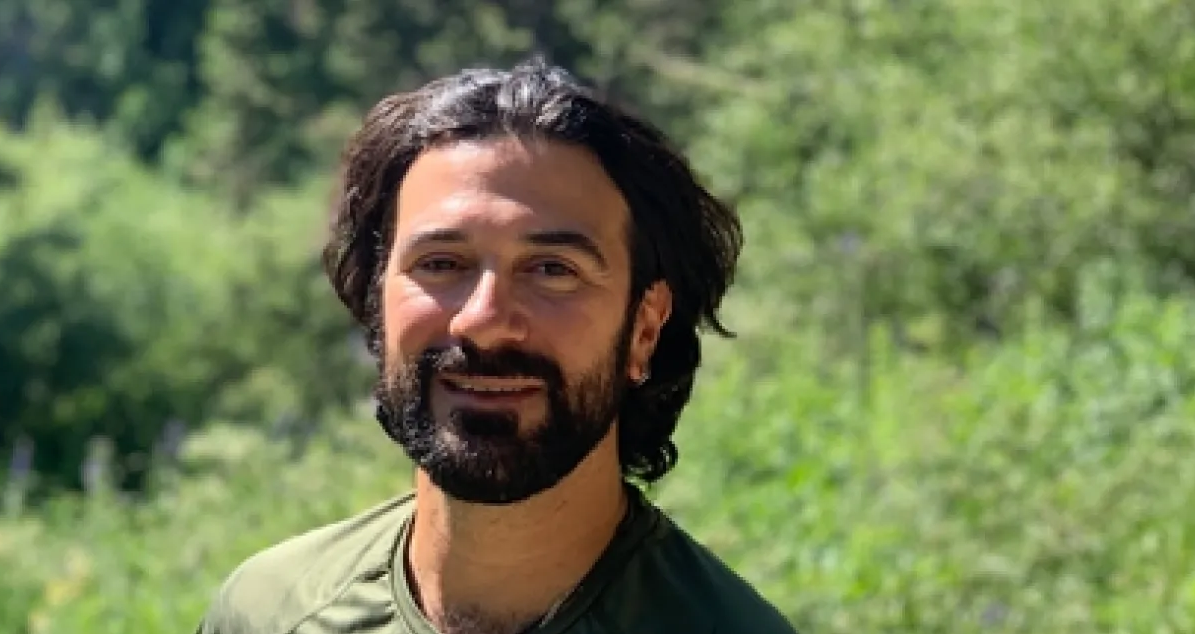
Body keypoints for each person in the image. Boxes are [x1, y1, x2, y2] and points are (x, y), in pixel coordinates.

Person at [193, 58, 799, 634]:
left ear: (645, 328)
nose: (482, 321)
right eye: (440, 263)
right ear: (378, 304)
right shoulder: (270, 613)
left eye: (552, 270)